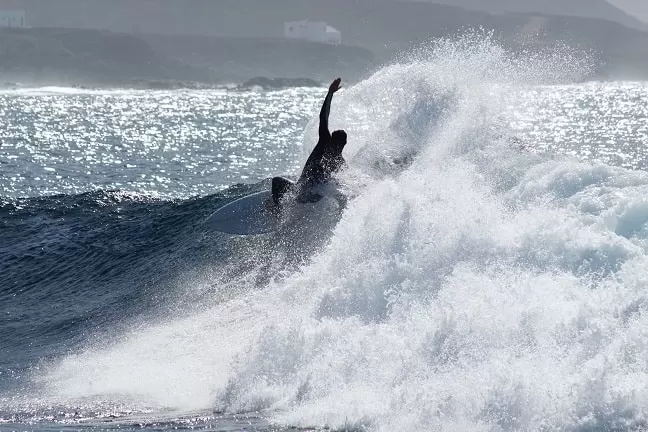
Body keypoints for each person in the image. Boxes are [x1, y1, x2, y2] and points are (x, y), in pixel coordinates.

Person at [272, 78, 347, 205]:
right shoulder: (339, 161)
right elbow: (323, 117)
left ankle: (277, 211)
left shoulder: (325, 142)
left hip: (301, 193)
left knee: (276, 181)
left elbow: (323, 117)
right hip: (314, 198)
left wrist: (330, 94)